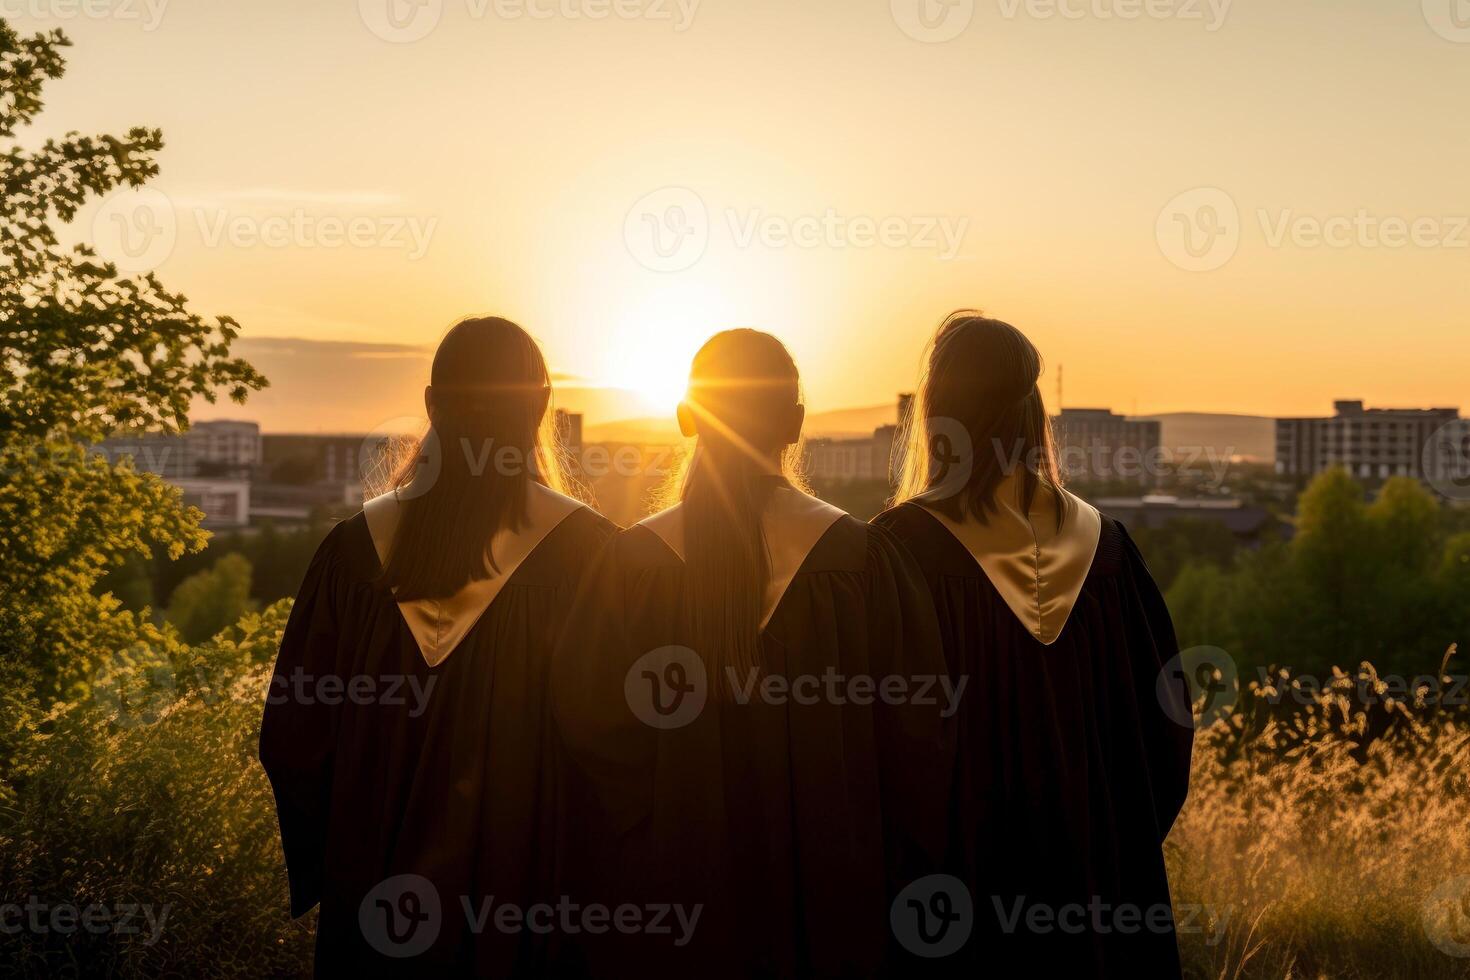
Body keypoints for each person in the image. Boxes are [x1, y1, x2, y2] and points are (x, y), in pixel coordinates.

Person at [552, 329, 952, 978]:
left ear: (687, 417)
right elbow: (916, 737)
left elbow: (590, 728)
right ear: (794, 424)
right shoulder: (861, 561)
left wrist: (661, 824)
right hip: (833, 902)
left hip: (675, 900)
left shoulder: (632, 565)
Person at [259, 316, 617, 976]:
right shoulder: (591, 556)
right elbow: (619, 752)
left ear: (431, 404)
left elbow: (294, 740)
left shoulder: (353, 553)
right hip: (527, 909)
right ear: (540, 408)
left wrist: (341, 857)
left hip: (376, 905)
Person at [873, 311, 1195, 977]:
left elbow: (873, 747)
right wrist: (1107, 850)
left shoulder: (899, 550)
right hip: (1096, 899)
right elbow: (1164, 736)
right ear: (1031, 410)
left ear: (938, 414)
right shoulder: (1105, 549)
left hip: (953, 906)